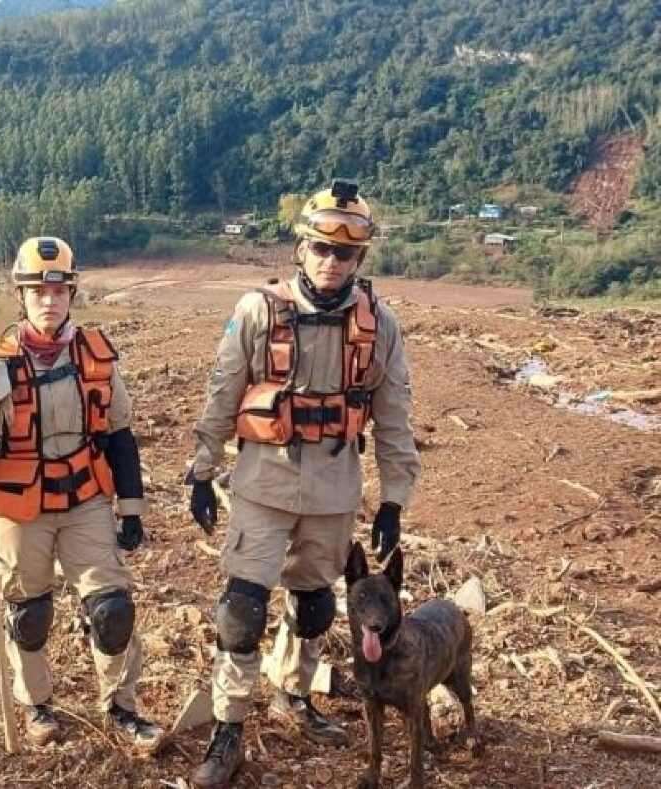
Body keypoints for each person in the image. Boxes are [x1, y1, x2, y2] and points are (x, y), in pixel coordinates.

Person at [185, 180, 421, 787]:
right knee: (241, 609)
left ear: (359, 259)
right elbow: (223, 392)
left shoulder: (380, 326)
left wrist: (394, 497)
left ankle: (295, 693)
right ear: (302, 247)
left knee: (315, 605)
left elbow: (394, 415)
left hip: (333, 491)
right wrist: (202, 470)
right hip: (263, 484)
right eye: (321, 247)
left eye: (344, 253)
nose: (331, 261)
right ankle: (229, 727)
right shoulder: (258, 312)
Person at [0, 236, 165, 753]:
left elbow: (120, 436)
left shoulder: (95, 355)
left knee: (113, 610)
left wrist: (130, 508)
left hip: (85, 498)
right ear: (20, 295)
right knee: (30, 614)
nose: (49, 302)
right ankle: (37, 705)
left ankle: (120, 706)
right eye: (37, 292)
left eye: (59, 291)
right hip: (20, 506)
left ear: (71, 293)